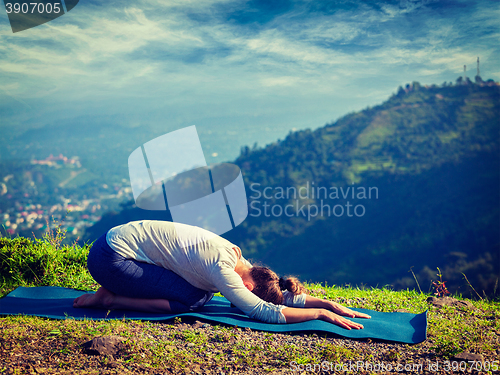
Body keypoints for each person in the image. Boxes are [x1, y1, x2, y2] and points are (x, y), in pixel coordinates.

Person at [73, 220, 370, 329]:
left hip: (117, 242)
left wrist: (327, 303)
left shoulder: (238, 257)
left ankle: (112, 293)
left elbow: (278, 293)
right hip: (110, 259)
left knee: (199, 293)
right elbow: (265, 311)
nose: (233, 299)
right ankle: (109, 297)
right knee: (192, 299)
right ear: (246, 285)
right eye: (238, 296)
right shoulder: (222, 269)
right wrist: (320, 315)